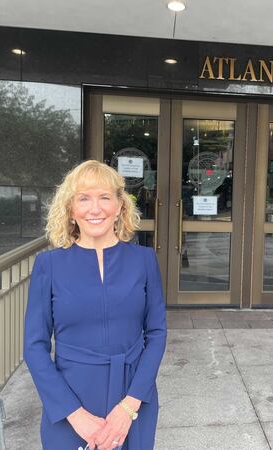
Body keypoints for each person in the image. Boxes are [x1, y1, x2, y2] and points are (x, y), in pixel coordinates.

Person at [23, 160, 167, 450]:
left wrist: (129, 407)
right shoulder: (48, 265)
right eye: (84, 198)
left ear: (119, 207)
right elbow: (34, 346)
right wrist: (75, 415)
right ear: (71, 210)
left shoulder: (144, 261)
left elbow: (157, 333)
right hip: (70, 400)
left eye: (104, 198)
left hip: (133, 397)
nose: (95, 208)